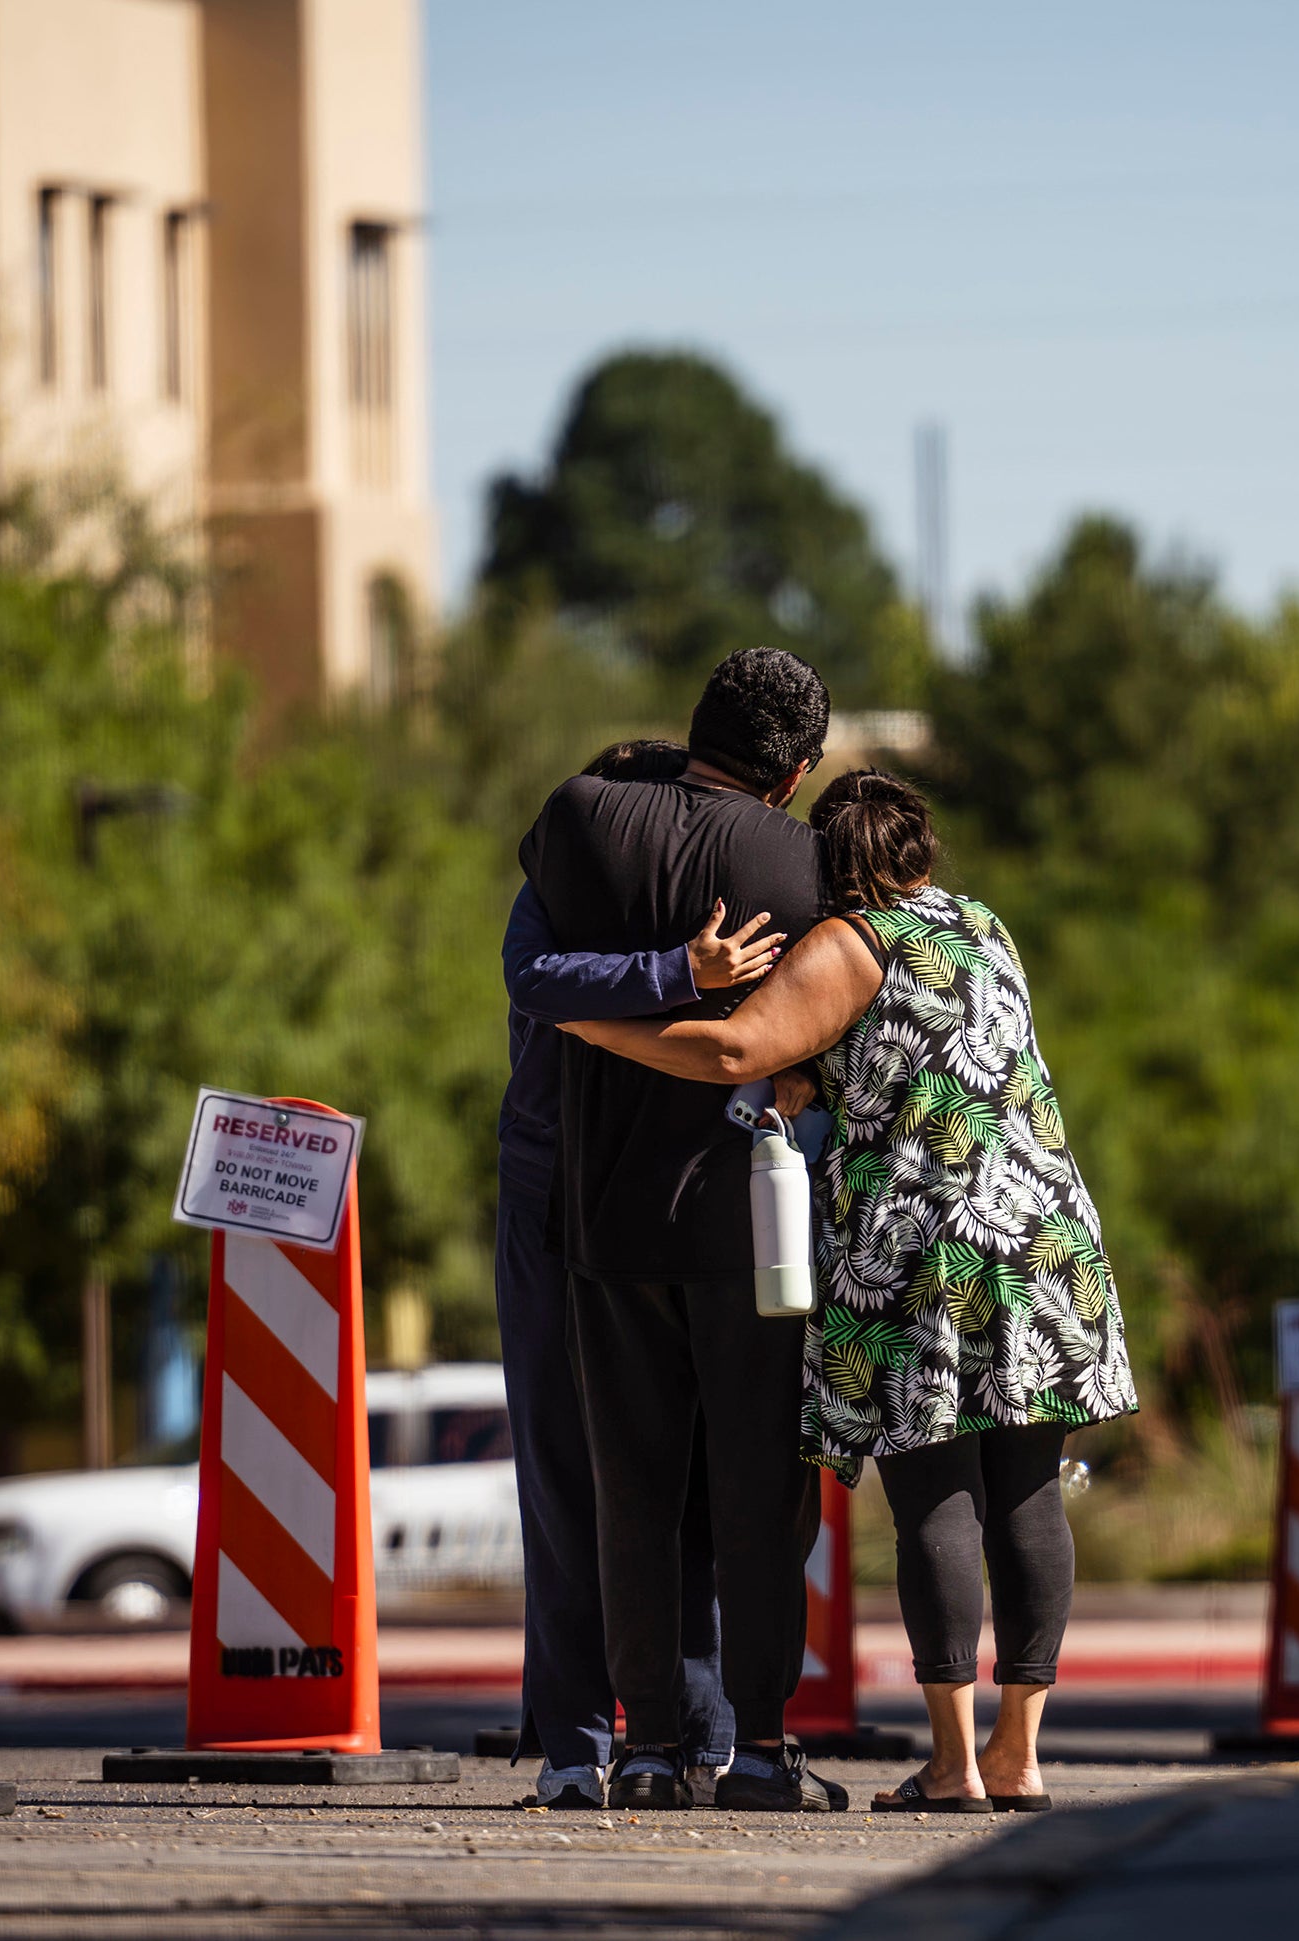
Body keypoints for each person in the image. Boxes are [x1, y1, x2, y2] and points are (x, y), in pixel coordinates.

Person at [563, 768, 1139, 1813]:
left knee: (936, 1497)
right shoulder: (982, 925)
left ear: (830, 866)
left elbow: (737, 1046)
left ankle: (957, 1764)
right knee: (1028, 1493)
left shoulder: (849, 943)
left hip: (925, 1249)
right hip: (1049, 1234)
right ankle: (1020, 1753)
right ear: (922, 851)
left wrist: (594, 1023)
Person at [517, 647, 849, 1813]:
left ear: (693, 724)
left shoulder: (579, 816)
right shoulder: (803, 861)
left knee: (631, 1490)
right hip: (753, 1228)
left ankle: (647, 1748)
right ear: (796, 771)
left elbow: (533, 974)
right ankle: (759, 1751)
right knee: (761, 1495)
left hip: (606, 1215)